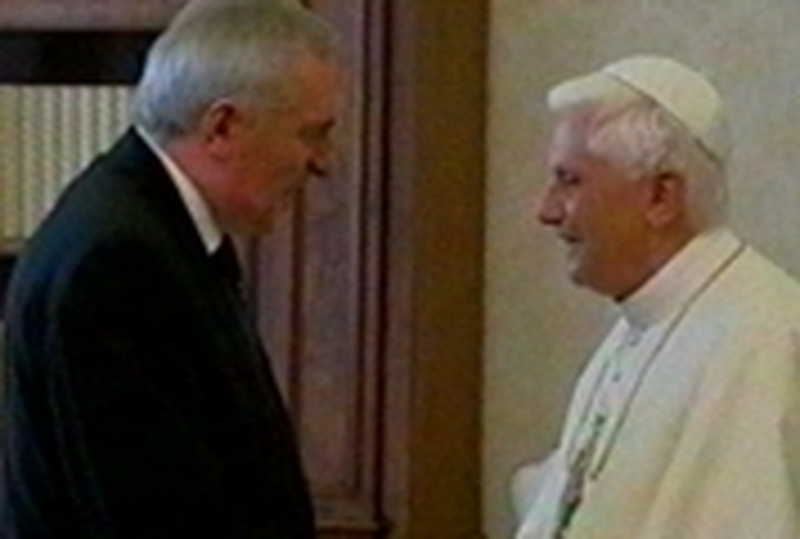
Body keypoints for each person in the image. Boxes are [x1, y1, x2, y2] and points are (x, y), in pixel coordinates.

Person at [2, 0, 344, 536]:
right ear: (222, 128)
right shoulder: (116, 260)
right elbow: (147, 515)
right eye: (310, 134)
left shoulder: (159, 230)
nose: (324, 162)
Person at [513, 55, 800, 538]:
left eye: (569, 181)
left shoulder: (766, 339)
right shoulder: (637, 327)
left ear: (661, 198)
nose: (546, 211)